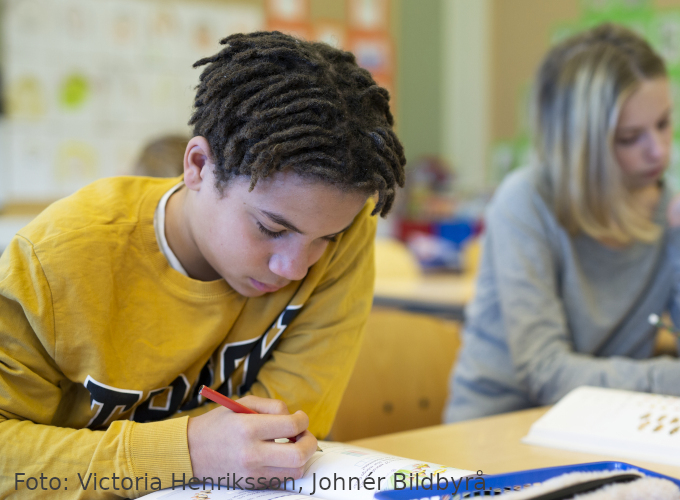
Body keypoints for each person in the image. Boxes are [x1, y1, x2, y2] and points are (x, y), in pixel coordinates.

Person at [0, 31, 404, 497]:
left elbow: (282, 429)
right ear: (197, 165)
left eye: (325, 239)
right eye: (271, 229)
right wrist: (187, 451)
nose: (295, 267)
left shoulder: (340, 228)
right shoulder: (56, 260)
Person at [445, 24, 680, 423]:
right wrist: (676, 380)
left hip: (610, 425)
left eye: (663, 123)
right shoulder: (525, 201)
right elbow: (546, 373)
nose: (658, 151)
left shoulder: (668, 206)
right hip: (501, 428)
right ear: (580, 144)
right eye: (629, 137)